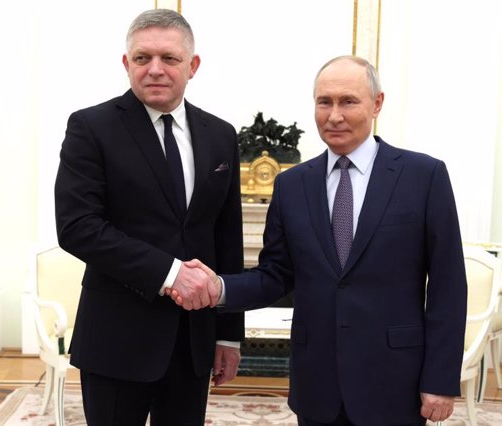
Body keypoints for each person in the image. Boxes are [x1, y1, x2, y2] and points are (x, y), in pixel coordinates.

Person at [171, 55, 468, 425]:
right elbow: (276, 275)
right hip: (317, 385)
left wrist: (440, 379)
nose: (334, 115)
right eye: (324, 102)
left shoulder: (424, 176)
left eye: (348, 101)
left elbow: (448, 286)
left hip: (395, 381)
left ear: (377, 104)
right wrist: (219, 287)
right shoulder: (292, 185)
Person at [54, 8, 244, 425]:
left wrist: (229, 334)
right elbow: (77, 227)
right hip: (117, 337)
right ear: (127, 64)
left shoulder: (220, 135)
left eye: (169, 59)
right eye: (142, 58)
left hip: (192, 342)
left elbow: (226, 237)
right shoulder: (91, 127)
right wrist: (170, 273)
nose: (155, 69)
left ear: (192, 66)